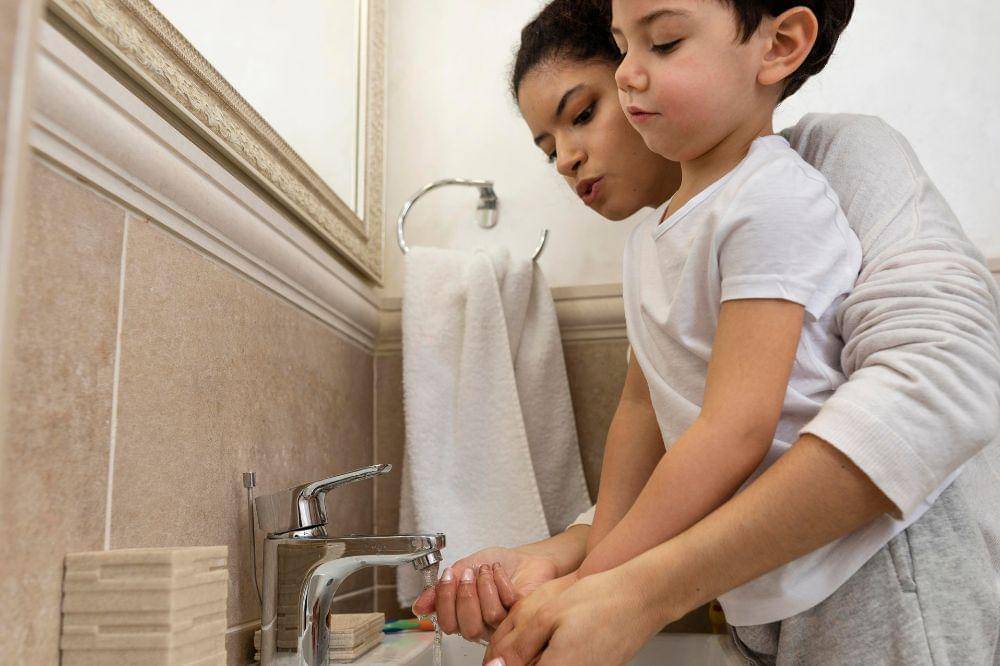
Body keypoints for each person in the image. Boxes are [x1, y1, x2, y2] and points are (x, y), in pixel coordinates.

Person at [413, 1, 1000, 664]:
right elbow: (650, 419)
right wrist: (582, 567)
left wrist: (619, 583)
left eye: (584, 112)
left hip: (870, 567)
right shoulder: (651, 245)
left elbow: (743, 427)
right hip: (766, 589)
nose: (566, 160)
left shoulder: (790, 185)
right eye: (548, 149)